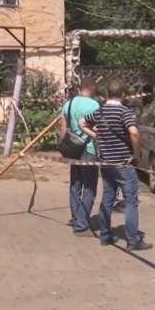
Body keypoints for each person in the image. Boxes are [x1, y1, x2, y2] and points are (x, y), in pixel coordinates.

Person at [80, 81, 153, 251]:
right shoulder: (124, 112)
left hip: (106, 162)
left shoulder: (99, 112)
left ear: (106, 95)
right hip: (123, 162)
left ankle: (105, 235)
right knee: (130, 201)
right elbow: (134, 132)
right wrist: (135, 154)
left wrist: (96, 135)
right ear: (123, 95)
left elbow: (81, 123)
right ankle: (133, 239)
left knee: (107, 197)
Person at [60, 77, 101, 236]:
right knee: (89, 187)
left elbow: (63, 127)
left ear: (80, 88)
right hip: (88, 149)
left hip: (73, 149)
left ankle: (75, 216)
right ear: (92, 89)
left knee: (75, 184)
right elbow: (97, 128)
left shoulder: (68, 104)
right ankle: (81, 222)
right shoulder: (95, 105)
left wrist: (65, 147)